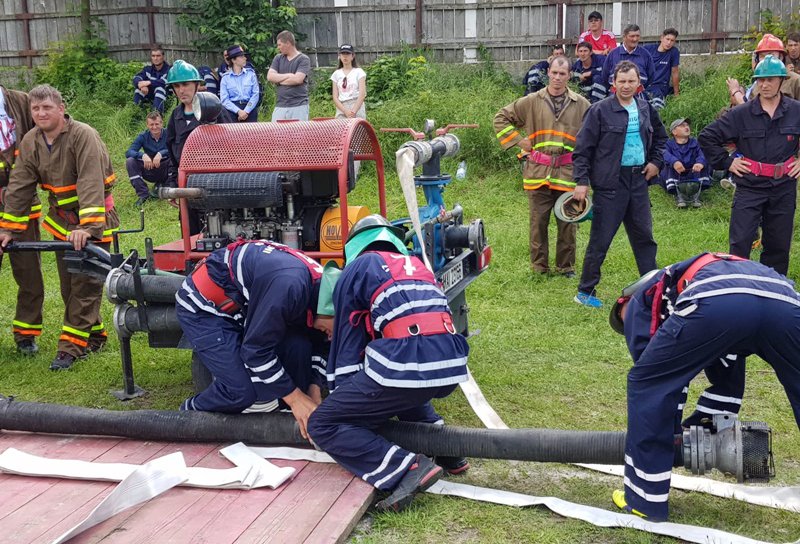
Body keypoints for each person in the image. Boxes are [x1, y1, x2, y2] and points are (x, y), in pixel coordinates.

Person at [607, 252, 800, 521]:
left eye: (623, 318)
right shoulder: (700, 276)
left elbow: (660, 377)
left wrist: (672, 434)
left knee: (647, 383)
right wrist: (706, 423)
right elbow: (727, 364)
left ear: (625, 299)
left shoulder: (643, 296)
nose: (627, 325)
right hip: (786, 301)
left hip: (720, 302)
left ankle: (644, 501)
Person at [307, 215, 470, 513]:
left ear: (354, 246)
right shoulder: (418, 266)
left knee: (323, 423)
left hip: (410, 357)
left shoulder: (357, 268)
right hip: (452, 363)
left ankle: (407, 468)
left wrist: (346, 404)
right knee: (398, 382)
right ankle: (447, 451)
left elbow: (347, 345)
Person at [0, 84, 119, 370]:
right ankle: (95, 336)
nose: (41, 113)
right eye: (36, 109)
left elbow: (91, 181)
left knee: (85, 286)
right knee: (69, 288)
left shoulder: (84, 135)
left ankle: (69, 349)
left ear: (61, 109)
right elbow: (20, 185)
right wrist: (9, 228)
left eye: (47, 108)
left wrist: (88, 228)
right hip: (62, 222)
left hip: (94, 219)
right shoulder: (30, 141)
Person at [175, 239, 327, 422]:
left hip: (239, 303)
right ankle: (185, 414)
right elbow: (255, 352)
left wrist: (313, 390)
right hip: (203, 306)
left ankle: (291, 421)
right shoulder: (289, 288)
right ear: (331, 310)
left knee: (299, 346)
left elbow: (318, 343)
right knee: (240, 391)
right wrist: (296, 398)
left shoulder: (322, 293)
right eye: (335, 329)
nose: (333, 335)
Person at [572, 61, 667, 308]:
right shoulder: (599, 110)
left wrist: (656, 162)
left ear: (639, 84)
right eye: (621, 81)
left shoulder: (645, 108)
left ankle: (652, 290)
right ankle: (585, 292)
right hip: (609, 184)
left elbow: (661, 137)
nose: (626, 86)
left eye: (631, 81)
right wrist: (581, 182)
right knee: (601, 240)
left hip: (638, 182)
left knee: (644, 238)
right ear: (613, 83)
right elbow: (582, 149)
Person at [699, 55, 800, 276]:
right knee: (740, 243)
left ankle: (775, 292)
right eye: (760, 80)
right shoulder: (741, 113)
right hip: (750, 187)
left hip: (783, 187)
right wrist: (727, 162)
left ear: (781, 81)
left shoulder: (795, 110)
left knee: (778, 245)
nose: (764, 85)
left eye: (770, 80)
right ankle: (738, 287)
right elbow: (707, 137)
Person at [495, 57, 590, 277]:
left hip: (568, 172)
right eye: (554, 73)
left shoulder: (582, 104)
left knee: (568, 221)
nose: (557, 78)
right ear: (548, 72)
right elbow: (500, 118)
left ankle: (566, 267)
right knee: (538, 222)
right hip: (538, 172)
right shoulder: (531, 101)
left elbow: (594, 136)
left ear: (569, 76)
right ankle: (539, 267)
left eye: (562, 74)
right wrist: (519, 141)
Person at [0, 85, 44, 355]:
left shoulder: (22, 101)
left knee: (29, 272)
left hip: (22, 204)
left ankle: (26, 334)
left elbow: (48, 138)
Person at [165, 60, 231, 236]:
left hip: (214, 184)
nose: (181, 90)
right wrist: (173, 186)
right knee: (190, 234)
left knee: (219, 231)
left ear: (197, 85)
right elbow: (172, 155)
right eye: (176, 86)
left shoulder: (215, 111)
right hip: (186, 184)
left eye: (185, 84)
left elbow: (231, 145)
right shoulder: (175, 116)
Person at [727, 34, 800, 105]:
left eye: (771, 55)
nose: (767, 59)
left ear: (781, 57)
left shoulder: (795, 80)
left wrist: (736, 92)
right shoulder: (758, 83)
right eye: (762, 56)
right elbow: (749, 111)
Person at [659, 118, 709, 208]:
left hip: (692, 172)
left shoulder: (696, 142)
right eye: (682, 126)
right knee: (668, 166)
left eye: (687, 125)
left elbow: (703, 153)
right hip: (675, 173)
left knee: (703, 165)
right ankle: (679, 196)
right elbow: (664, 154)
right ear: (674, 132)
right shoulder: (668, 144)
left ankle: (695, 195)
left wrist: (700, 163)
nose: (686, 127)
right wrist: (674, 162)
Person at [125, 111, 170, 207]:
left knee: (175, 159)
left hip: (166, 168)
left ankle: (169, 188)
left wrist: (161, 154)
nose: (154, 127)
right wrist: (142, 155)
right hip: (150, 168)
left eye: (157, 124)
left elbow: (176, 149)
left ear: (162, 123)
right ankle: (143, 194)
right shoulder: (143, 136)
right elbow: (129, 152)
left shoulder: (169, 133)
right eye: (151, 124)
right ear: (147, 125)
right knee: (130, 161)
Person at [268, 30, 311, 121]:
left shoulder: (303, 59)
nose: (278, 47)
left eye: (279, 45)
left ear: (287, 43)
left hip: (299, 105)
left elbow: (297, 79)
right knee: (276, 134)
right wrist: (289, 75)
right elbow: (270, 77)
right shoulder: (278, 58)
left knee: (298, 134)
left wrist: (278, 81)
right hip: (280, 105)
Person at [601, 24, 655, 93]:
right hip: (616, 94)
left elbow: (651, 76)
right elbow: (604, 76)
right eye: (632, 36)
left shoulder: (645, 55)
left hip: (638, 94)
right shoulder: (613, 54)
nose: (635, 39)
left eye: (637, 36)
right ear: (624, 37)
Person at [220, 45, 260, 123]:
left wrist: (246, 111)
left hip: (250, 110)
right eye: (241, 56)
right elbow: (224, 100)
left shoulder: (251, 74)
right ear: (233, 60)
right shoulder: (225, 78)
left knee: (251, 134)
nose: (245, 58)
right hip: (232, 112)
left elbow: (255, 94)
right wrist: (238, 111)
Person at [644, 28, 680, 110]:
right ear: (661, 38)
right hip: (646, 85)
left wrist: (676, 94)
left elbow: (675, 72)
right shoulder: (648, 49)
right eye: (667, 39)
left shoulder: (673, 52)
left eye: (672, 40)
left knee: (657, 105)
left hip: (660, 86)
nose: (669, 43)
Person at [331, 44, 367, 119]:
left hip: (356, 105)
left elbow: (362, 94)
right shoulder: (336, 74)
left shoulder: (359, 72)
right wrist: (345, 111)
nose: (345, 56)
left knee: (357, 129)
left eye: (348, 54)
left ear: (353, 56)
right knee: (342, 130)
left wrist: (353, 112)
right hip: (342, 107)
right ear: (339, 56)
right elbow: (335, 96)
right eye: (343, 54)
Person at [132, 46, 171, 113]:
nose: (155, 58)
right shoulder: (147, 69)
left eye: (158, 56)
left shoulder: (169, 69)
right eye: (153, 56)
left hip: (166, 97)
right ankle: (135, 115)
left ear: (163, 56)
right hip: (150, 95)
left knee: (159, 89)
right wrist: (142, 85)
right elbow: (136, 78)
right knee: (138, 90)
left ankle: (156, 116)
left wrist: (149, 82)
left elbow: (164, 82)